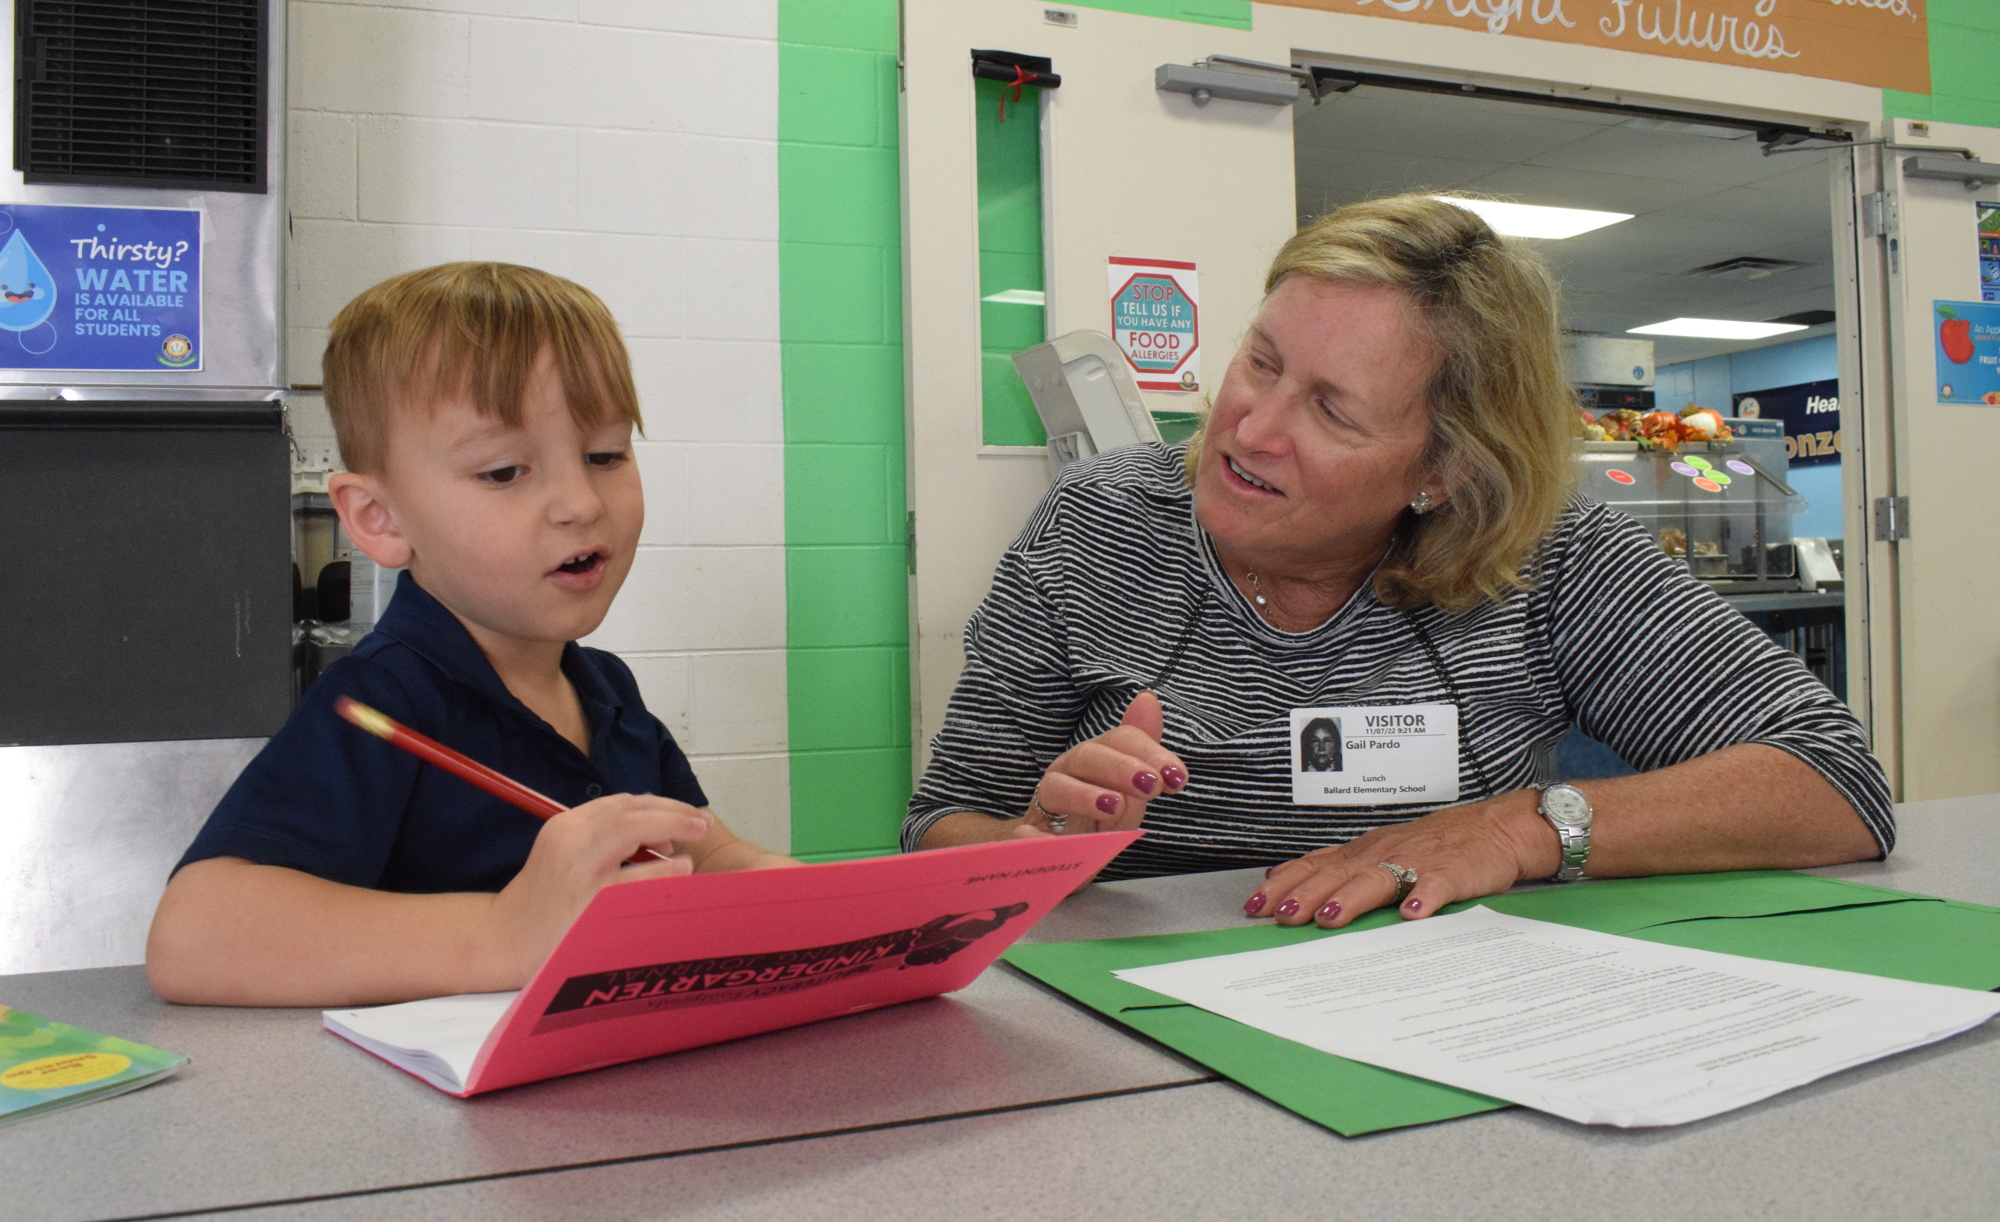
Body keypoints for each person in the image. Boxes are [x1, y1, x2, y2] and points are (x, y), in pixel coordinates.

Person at [903, 193, 1889, 930]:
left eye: (1331, 409)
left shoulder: (1551, 561)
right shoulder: (1100, 524)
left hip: (1441, 1020)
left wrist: (1518, 831)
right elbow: (939, 822)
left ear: (1443, 470)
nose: (1251, 425)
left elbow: (1832, 780)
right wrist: (1028, 849)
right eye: (1260, 360)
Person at [148, 262, 794, 1007]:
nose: (580, 503)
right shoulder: (384, 700)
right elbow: (192, 936)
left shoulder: (607, 689)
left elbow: (698, 850)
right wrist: (504, 932)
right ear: (379, 519)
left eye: (606, 454)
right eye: (503, 471)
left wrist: (787, 892)